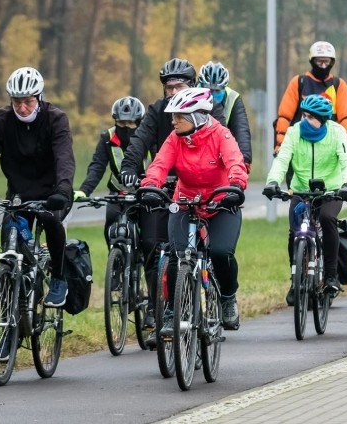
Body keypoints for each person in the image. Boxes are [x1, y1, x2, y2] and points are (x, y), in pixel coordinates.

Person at [119, 58, 225, 345]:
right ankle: (163, 312)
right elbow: (139, 142)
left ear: (192, 86)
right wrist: (130, 170)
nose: (175, 91)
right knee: (155, 249)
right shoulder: (156, 111)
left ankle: (211, 301)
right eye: (170, 87)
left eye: (181, 85)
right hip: (164, 187)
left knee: (209, 249)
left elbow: (225, 144)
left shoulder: (205, 111)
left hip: (201, 188)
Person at [0, 67, 75, 313]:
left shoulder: (55, 118)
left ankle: (58, 277)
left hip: (53, 192)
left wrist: (63, 191)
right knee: (9, 240)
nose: (22, 108)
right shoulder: (1, 119)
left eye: (28, 102)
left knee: (52, 223)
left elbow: (64, 157)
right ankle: (12, 316)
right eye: (16, 102)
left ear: (39, 98)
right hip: (19, 193)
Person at [139, 87, 248, 332]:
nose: (173, 121)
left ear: (197, 117)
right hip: (186, 203)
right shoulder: (175, 139)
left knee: (221, 253)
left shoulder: (221, 135)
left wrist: (235, 187)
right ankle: (170, 311)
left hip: (220, 203)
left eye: (179, 116)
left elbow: (235, 163)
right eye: (173, 116)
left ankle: (228, 298)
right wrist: (149, 186)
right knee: (177, 257)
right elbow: (159, 165)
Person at [262, 94, 347, 304]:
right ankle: (296, 280)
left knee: (327, 218)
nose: (305, 120)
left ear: (323, 119)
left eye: (311, 117)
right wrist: (273, 182)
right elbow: (282, 159)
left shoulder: (337, 132)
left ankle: (331, 276)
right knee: (295, 231)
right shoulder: (294, 132)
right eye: (303, 115)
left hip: (331, 191)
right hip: (301, 190)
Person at [73, 96, 147, 246]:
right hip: (117, 194)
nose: (125, 127)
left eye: (130, 123)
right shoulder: (108, 138)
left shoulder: (148, 137)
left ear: (139, 123)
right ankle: (116, 263)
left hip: (145, 194)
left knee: (149, 238)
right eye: (121, 122)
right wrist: (84, 190)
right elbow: (97, 166)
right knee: (109, 231)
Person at [273, 41, 347, 155]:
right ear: (312, 61)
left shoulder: (338, 85)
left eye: (326, 61)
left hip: (330, 147)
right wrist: (280, 144)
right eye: (319, 61)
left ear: (332, 62)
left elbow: (345, 119)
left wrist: (346, 146)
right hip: (299, 145)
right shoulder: (299, 82)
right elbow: (284, 117)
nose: (323, 66)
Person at [197, 61, 252, 170]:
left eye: (217, 91)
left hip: (221, 150)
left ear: (224, 88)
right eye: (208, 89)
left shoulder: (233, 98)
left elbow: (241, 129)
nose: (212, 94)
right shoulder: (190, 94)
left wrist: (245, 159)